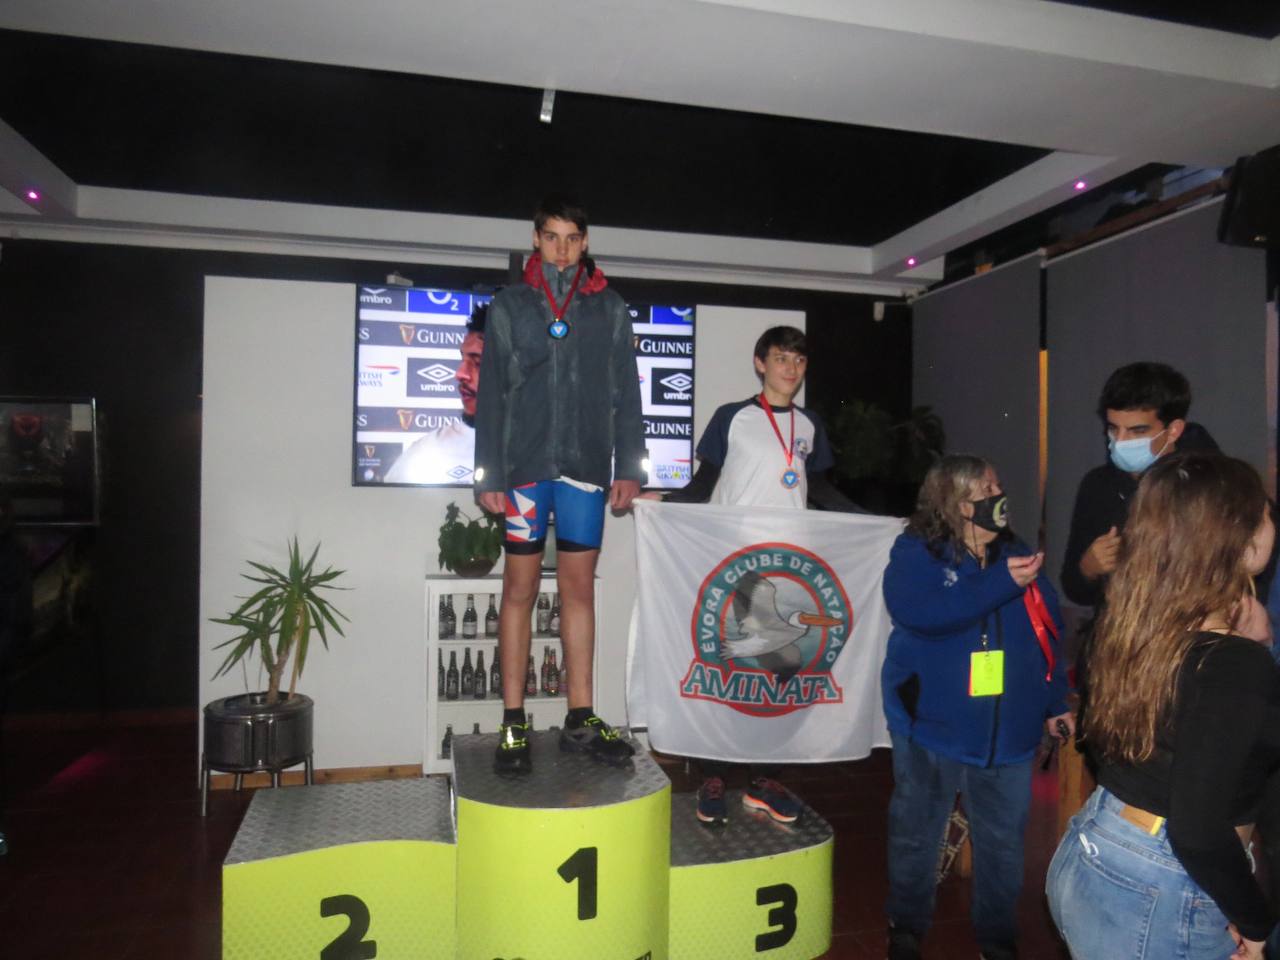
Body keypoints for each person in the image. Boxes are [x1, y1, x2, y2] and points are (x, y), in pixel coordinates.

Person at [1047, 453, 1279, 960]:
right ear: (1236, 540)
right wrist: (1255, 920)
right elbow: (1197, 831)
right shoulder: (1231, 663)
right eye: (1264, 512)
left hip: (1098, 843)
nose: (1272, 520)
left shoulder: (1133, 626)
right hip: (1163, 881)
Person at [641, 324, 859, 826]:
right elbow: (704, 485)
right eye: (781, 358)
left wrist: (873, 520)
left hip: (789, 565)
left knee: (782, 673)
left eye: (799, 360)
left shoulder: (809, 425)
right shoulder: (732, 417)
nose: (791, 368)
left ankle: (763, 781)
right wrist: (663, 501)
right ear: (761, 363)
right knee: (728, 670)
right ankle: (714, 776)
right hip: (736, 563)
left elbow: (819, 489)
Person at [474, 194, 646, 774]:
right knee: (518, 589)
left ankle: (580, 718)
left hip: (585, 472)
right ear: (536, 239)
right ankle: (513, 721)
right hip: (523, 471)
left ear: (585, 242)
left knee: (579, 590)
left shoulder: (609, 308)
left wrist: (630, 467)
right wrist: (489, 473)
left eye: (572, 238)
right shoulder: (511, 305)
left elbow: (627, 390)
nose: (562, 249)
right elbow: (492, 393)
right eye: (552, 237)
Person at [881, 454, 1071, 960]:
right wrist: (1001, 582)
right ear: (958, 502)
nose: (998, 495)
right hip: (933, 728)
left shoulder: (1017, 554)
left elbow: (1048, 629)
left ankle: (996, 938)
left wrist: (1055, 699)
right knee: (917, 834)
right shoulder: (918, 552)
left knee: (1003, 844)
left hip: (1008, 734)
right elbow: (922, 614)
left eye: (997, 485)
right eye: (986, 489)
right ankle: (906, 926)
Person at [384, 302, 488, 484]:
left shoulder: (539, 452)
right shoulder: (425, 452)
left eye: (478, 363)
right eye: (462, 359)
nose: (460, 374)